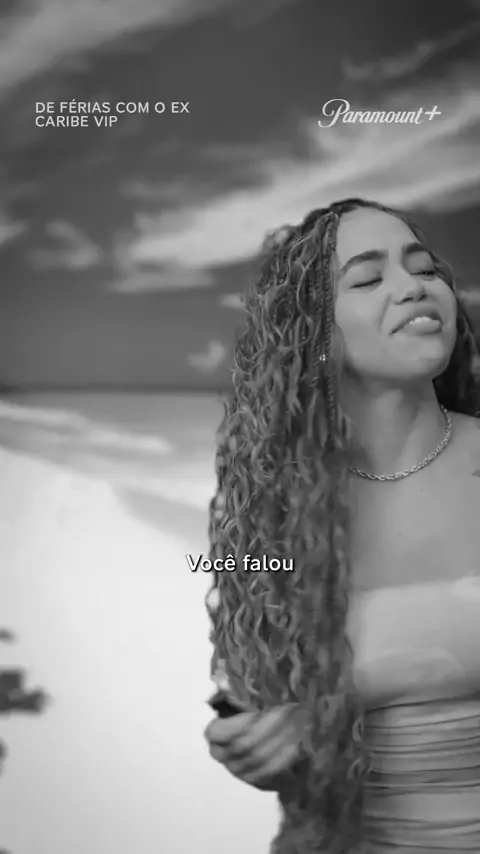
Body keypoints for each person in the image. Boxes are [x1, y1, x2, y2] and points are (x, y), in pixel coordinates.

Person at [203, 197, 480, 854]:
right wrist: (254, 745)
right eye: (368, 278)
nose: (412, 287)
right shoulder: (268, 520)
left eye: (424, 269)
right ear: (315, 336)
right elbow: (257, 702)